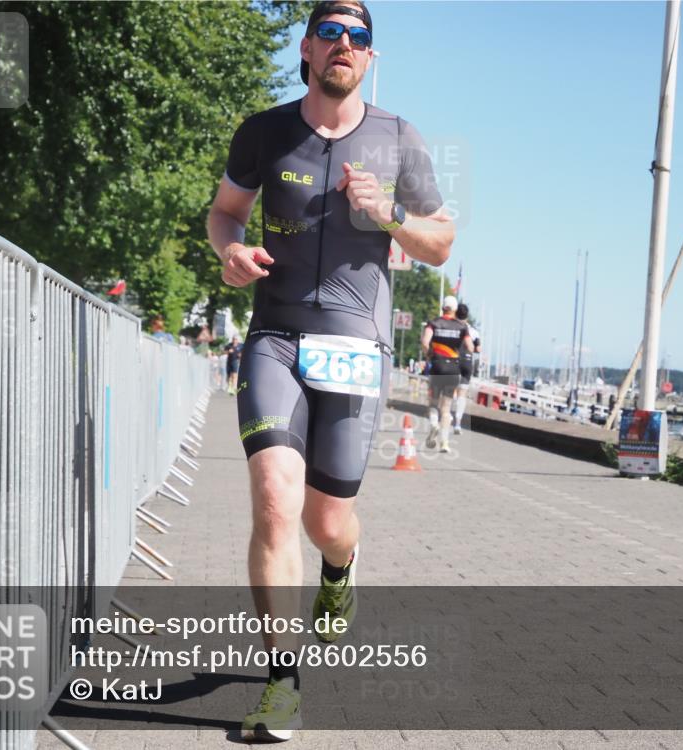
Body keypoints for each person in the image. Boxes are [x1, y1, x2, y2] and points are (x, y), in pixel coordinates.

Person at [206, 1, 454, 740]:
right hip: (275, 338)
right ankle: (282, 685)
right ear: (309, 50)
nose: (345, 44)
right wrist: (230, 250)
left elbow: (441, 243)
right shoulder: (263, 132)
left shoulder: (400, 138)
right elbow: (225, 212)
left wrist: (389, 216)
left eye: (359, 37)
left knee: (327, 523)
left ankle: (340, 569)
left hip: (354, 349)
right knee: (274, 502)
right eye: (331, 32)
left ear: (369, 59)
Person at [420, 295, 472, 453]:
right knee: (447, 408)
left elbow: (424, 342)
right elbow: (470, 347)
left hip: (437, 366)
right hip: (453, 369)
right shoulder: (462, 327)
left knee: (433, 402)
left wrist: (429, 354)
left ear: (443, 308)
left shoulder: (433, 323)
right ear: (455, 310)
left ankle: (433, 423)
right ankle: (444, 443)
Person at [451, 302, 481, 435]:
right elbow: (478, 349)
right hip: (467, 363)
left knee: (450, 390)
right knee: (462, 394)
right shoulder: (474, 331)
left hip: (453, 360)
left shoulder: (452, 327)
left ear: (455, 314)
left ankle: (447, 415)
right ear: (467, 316)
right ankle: (458, 423)